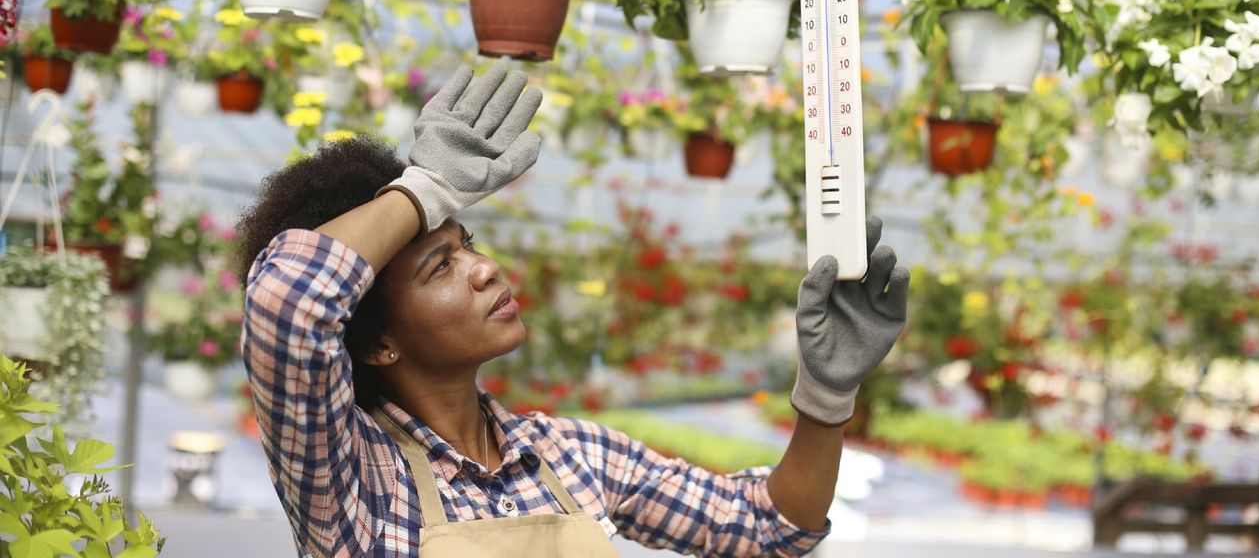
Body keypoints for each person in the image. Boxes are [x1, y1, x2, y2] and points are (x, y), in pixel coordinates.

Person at [235, 63, 910, 557]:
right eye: (439, 266)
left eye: (466, 243)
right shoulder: (350, 479)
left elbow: (768, 524)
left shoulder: (570, 455)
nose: (485, 268)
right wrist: (426, 187)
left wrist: (825, 395)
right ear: (378, 344)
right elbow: (287, 300)